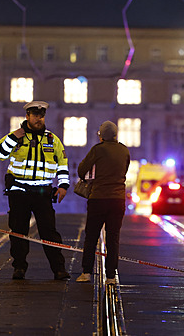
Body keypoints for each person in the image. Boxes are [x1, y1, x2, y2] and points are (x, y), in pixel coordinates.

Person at [0, 100, 71, 281]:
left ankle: (59, 269)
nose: (39, 119)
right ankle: (19, 267)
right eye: (35, 115)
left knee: (49, 232)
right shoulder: (16, 137)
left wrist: (63, 186)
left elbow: (62, 164)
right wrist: (14, 137)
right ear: (27, 116)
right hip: (19, 192)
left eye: (41, 116)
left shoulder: (52, 139)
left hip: (43, 193)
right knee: (18, 231)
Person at [75, 121, 130, 285]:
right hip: (118, 199)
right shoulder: (124, 150)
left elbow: (81, 170)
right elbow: (125, 169)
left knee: (91, 236)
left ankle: (86, 272)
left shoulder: (97, 150)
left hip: (98, 198)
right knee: (113, 237)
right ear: (115, 134)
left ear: (101, 136)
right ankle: (111, 276)